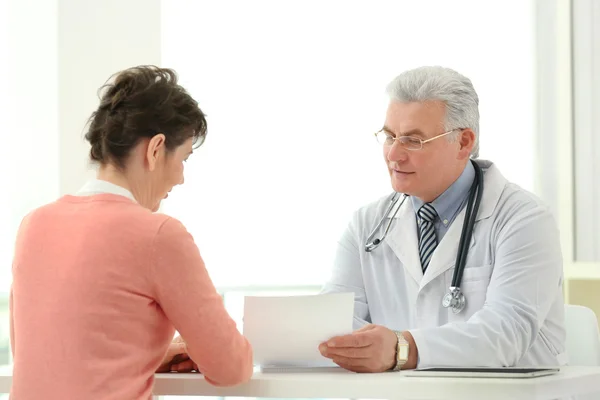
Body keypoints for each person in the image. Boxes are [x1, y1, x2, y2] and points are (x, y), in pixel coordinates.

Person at [9, 66, 253, 399]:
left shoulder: (33, 224)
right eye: (184, 159)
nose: (181, 178)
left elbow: (57, 355)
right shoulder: (158, 235)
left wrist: (150, 352)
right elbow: (232, 367)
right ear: (155, 149)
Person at [318, 66, 566, 372]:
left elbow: (505, 334)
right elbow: (333, 323)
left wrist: (401, 348)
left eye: (412, 140)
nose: (394, 154)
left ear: (463, 142)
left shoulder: (523, 220)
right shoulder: (367, 224)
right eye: (389, 136)